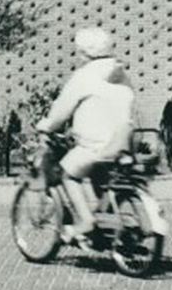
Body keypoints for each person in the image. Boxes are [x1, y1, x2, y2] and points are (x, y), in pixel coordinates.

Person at [38, 26, 136, 243]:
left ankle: (85, 222)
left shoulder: (84, 76)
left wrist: (46, 126)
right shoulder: (121, 73)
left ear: (84, 53)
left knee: (67, 174)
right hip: (124, 142)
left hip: (95, 145)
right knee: (102, 179)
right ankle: (107, 227)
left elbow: (61, 110)